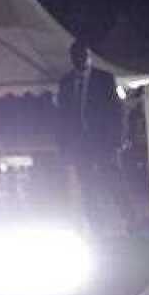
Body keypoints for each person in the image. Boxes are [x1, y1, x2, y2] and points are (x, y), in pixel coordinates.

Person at [56, 40, 135, 234]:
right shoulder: (66, 83)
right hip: (79, 144)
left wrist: (117, 139)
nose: (79, 60)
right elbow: (62, 116)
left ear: (89, 57)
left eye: (82, 56)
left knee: (113, 179)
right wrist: (65, 146)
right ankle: (96, 224)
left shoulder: (104, 79)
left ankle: (130, 219)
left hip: (103, 142)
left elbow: (116, 110)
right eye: (75, 57)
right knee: (87, 185)